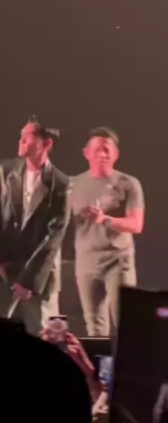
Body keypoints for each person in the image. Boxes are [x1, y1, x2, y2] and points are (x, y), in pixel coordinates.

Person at [0, 116, 70, 335]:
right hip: (2, 266)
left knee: (38, 334)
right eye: (21, 137)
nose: (21, 142)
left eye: (27, 138)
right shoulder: (4, 170)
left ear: (46, 144)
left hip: (36, 274)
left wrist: (29, 281)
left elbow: (54, 236)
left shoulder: (60, 183)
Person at [70, 127, 144, 337]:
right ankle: (98, 359)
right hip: (87, 263)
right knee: (94, 324)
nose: (102, 155)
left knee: (125, 320)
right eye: (97, 150)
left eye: (107, 150)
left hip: (118, 260)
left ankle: (129, 358)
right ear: (86, 153)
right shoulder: (73, 185)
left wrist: (105, 220)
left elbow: (136, 224)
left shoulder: (128, 184)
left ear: (116, 154)